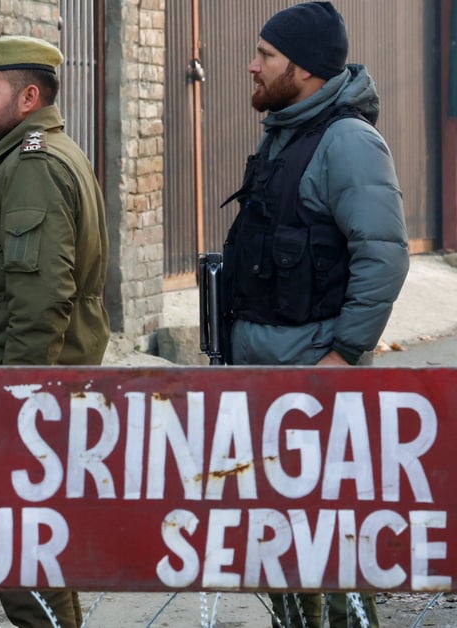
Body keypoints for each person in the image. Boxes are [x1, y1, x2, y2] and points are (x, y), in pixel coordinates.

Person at [222, 3, 408, 626]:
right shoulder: (285, 132)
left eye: (265, 56)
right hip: (263, 377)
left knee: (332, 547)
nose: (252, 66)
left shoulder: (348, 142)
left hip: (313, 382)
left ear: (300, 68)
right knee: (277, 546)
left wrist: (343, 355)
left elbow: (382, 258)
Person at [0, 36, 110, 627]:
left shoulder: (34, 166)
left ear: (29, 97)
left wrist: (20, 402)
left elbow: (41, 301)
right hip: (19, 390)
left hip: (15, 398)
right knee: (31, 551)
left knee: (19, 558)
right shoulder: (42, 155)